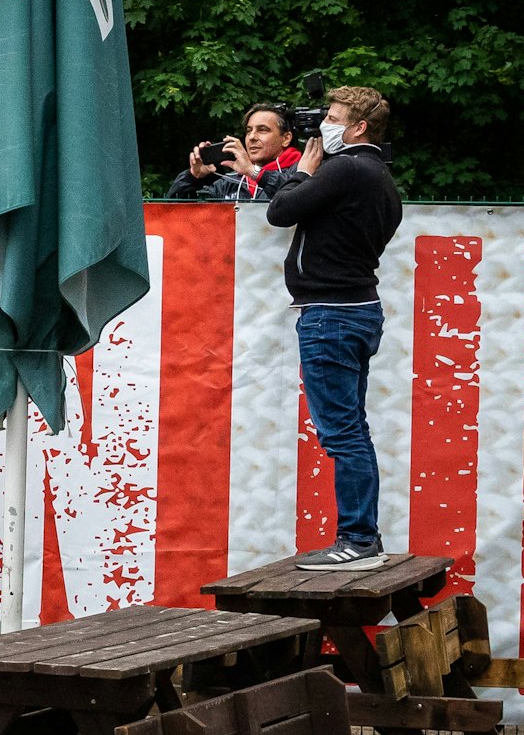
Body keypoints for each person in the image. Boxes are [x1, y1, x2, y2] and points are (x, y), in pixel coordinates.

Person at [266, 85, 402, 570]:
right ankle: (363, 536)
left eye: (333, 116)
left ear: (359, 127)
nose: (323, 123)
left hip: (331, 314)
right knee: (352, 430)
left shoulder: (346, 168)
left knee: (343, 434)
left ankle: (358, 539)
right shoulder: (380, 177)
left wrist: (303, 171)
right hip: (358, 310)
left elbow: (280, 212)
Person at [165, 103, 301, 201]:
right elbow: (173, 211)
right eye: (249, 130)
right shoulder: (231, 181)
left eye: (262, 130)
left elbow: (297, 197)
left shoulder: (303, 169)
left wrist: (253, 172)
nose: (252, 137)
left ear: (286, 138)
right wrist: (193, 177)